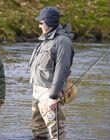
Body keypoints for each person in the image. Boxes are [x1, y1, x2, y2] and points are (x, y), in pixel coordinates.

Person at [29, 7, 74, 140]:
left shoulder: (62, 41)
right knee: (38, 129)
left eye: (41, 23)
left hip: (49, 92)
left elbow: (62, 69)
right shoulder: (46, 39)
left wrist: (53, 96)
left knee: (56, 132)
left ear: (48, 22)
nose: (39, 25)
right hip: (37, 90)